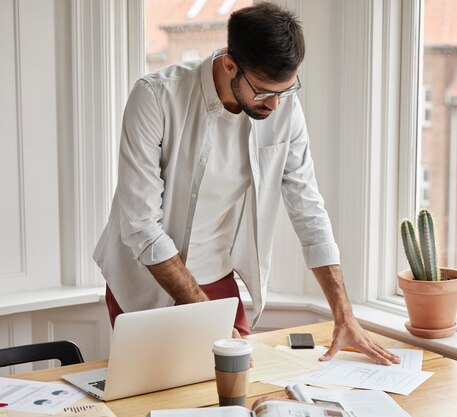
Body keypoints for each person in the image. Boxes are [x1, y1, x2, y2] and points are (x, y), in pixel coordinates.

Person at [93, 2, 399, 366]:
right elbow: (141, 226)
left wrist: (343, 314)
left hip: (216, 280)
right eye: (263, 92)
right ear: (229, 65)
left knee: (236, 392)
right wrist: (208, 321)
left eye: (285, 91)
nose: (274, 104)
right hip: (142, 281)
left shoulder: (284, 108)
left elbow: (308, 209)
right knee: (155, 396)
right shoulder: (156, 97)